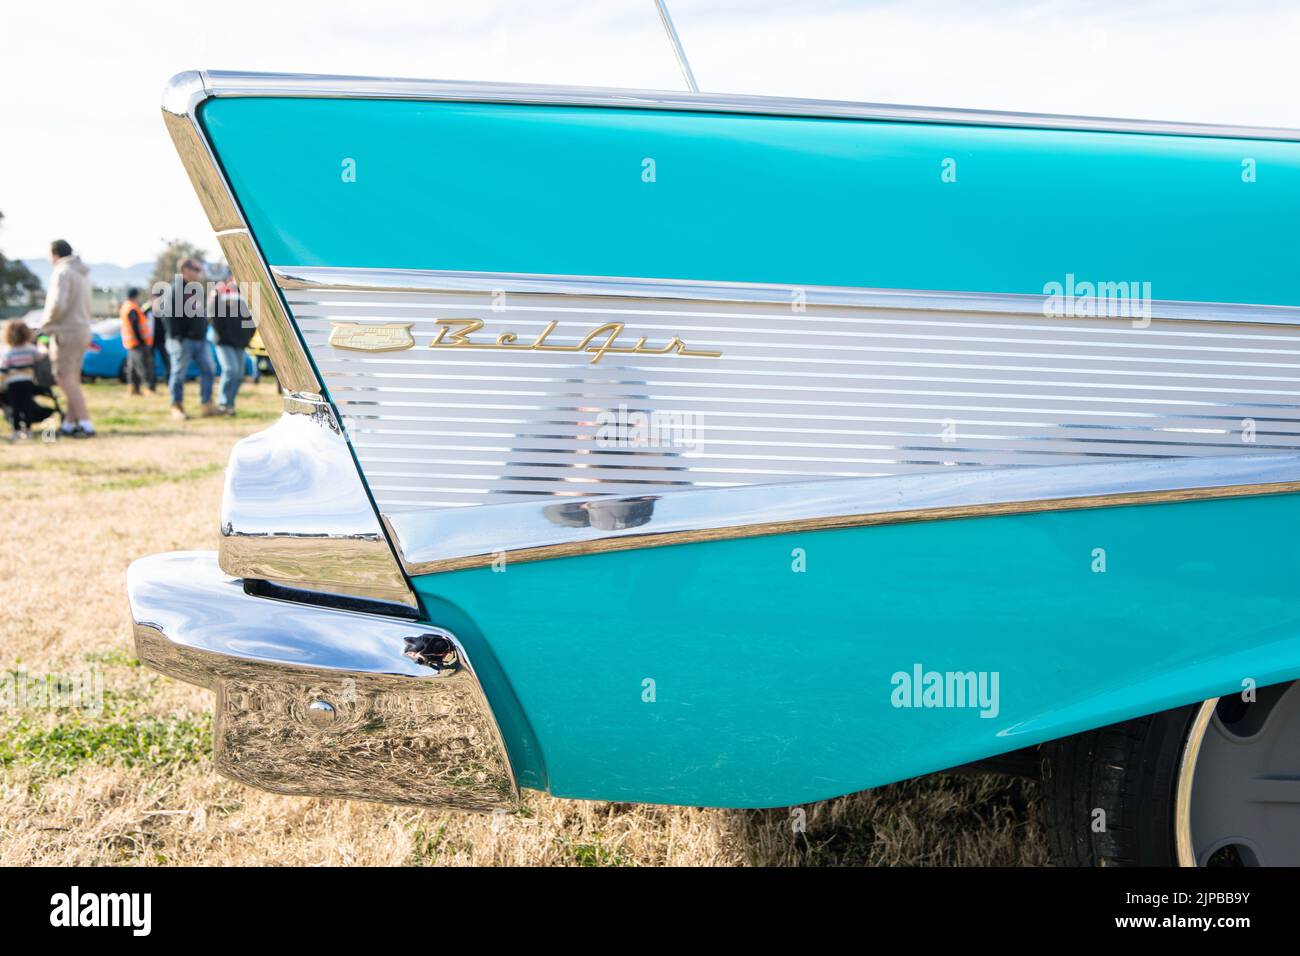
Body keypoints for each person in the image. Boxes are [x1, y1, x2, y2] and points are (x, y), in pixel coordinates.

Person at [38, 239, 95, 437]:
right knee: (73, 378)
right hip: (83, 329)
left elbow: (57, 304)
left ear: (54, 254)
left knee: (64, 379)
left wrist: (45, 323)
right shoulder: (82, 273)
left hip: (66, 331)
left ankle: (85, 423)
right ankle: (69, 423)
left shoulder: (62, 272)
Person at [160, 256, 217, 419]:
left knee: (208, 371)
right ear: (185, 270)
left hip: (199, 341)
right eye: (196, 269)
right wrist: (178, 337)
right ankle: (176, 406)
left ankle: (207, 405)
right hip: (182, 341)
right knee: (178, 374)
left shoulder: (194, 289)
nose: (199, 273)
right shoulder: (175, 289)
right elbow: (167, 315)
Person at [208, 275, 254, 414]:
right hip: (224, 341)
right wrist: (221, 334)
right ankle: (223, 403)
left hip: (240, 342)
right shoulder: (220, 292)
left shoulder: (247, 295)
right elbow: (212, 314)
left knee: (239, 373)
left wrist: (248, 337)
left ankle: (230, 404)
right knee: (230, 370)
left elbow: (253, 318)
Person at [1, 319, 46, 438]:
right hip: (27, 382)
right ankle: (28, 430)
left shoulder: (8, 351)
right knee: (27, 406)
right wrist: (42, 345)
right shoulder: (30, 349)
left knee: (15, 407)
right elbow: (40, 355)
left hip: (12, 384)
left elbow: (3, 368)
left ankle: (16, 430)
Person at [119, 287, 156, 395]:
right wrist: (141, 340)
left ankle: (133, 389)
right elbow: (135, 326)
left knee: (133, 368)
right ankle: (150, 388)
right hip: (137, 343)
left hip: (131, 343)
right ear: (136, 296)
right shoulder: (132, 308)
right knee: (144, 366)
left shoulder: (126, 306)